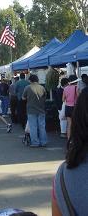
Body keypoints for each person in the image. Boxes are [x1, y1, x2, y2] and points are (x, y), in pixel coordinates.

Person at [52, 87, 88, 215]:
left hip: (68, 107)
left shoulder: (63, 173)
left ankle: (67, 134)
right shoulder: (77, 89)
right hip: (72, 106)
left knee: (67, 124)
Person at [22, 74, 47, 147]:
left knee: (33, 127)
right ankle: (43, 142)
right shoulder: (42, 88)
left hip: (31, 110)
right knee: (42, 126)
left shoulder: (27, 87)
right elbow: (45, 98)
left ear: (30, 80)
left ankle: (35, 142)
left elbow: (23, 98)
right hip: (41, 109)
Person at [62, 74, 78, 139]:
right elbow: (80, 98)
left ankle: (69, 140)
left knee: (69, 124)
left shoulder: (65, 88)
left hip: (67, 108)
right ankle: (76, 139)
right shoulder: (77, 88)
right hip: (75, 107)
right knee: (76, 124)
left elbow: (63, 99)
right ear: (75, 81)